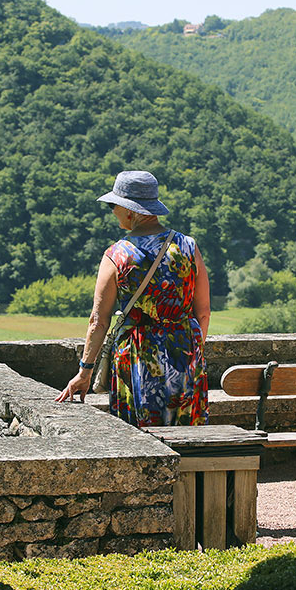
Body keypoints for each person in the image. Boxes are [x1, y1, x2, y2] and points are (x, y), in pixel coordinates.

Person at [57, 170, 210, 427]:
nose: (112, 211)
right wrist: (192, 353)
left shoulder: (117, 255)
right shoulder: (188, 246)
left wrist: (85, 372)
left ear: (131, 211)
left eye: (113, 205)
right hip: (185, 352)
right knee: (189, 437)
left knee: (141, 439)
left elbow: (98, 320)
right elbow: (203, 312)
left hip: (137, 356)